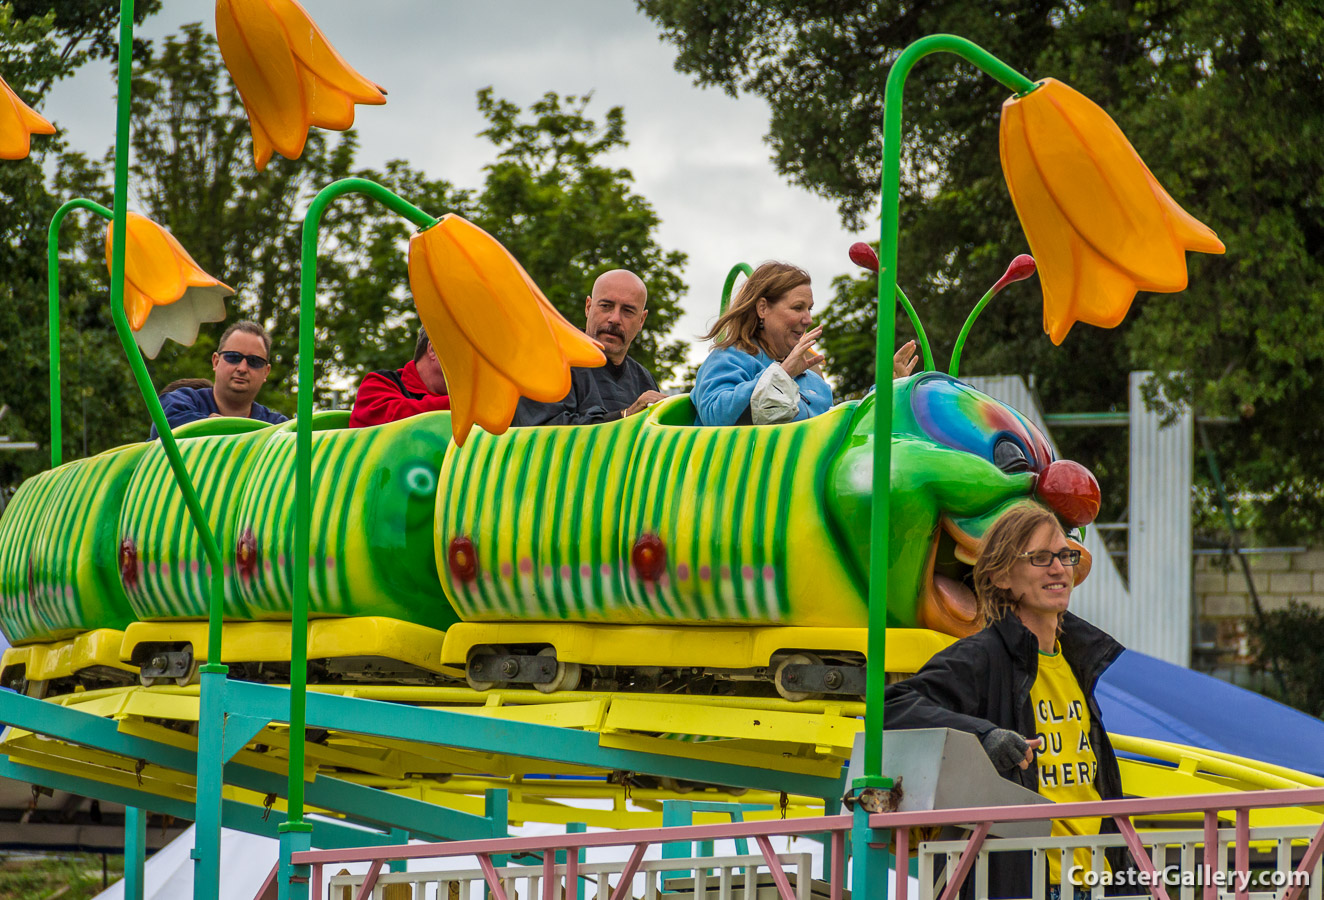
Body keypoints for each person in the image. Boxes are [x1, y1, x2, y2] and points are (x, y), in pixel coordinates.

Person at [883, 503, 1125, 899]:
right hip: (1027, 882)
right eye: (1040, 558)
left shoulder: (1078, 659)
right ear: (1001, 577)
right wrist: (985, 736)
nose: (1058, 568)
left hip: (1095, 881)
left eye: (1065, 556)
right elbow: (892, 707)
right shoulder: (981, 656)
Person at [513, 269, 665, 426]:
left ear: (641, 320)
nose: (615, 319)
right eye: (606, 306)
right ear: (588, 307)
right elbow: (542, 432)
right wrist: (626, 416)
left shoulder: (644, 379)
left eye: (628, 311)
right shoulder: (550, 358)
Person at [691, 262, 832, 426]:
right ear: (763, 308)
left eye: (809, 309)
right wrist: (782, 375)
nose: (808, 320)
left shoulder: (816, 382)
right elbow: (716, 417)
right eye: (797, 307)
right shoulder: (728, 359)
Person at [149, 321, 287, 438]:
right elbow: (165, 425)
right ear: (216, 362)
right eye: (233, 357)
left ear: (266, 372)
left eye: (254, 361)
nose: (242, 368)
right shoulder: (177, 402)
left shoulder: (279, 426)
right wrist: (211, 426)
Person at [349, 327, 451, 428]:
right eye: (464, 352)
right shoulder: (378, 384)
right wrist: (461, 408)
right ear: (433, 349)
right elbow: (396, 424)